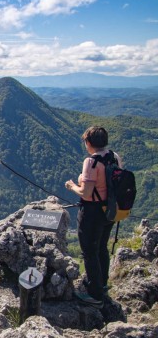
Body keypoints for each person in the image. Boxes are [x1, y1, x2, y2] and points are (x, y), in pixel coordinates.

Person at [64, 126, 120, 309]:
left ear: (89, 142)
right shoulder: (114, 157)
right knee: (101, 247)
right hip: (110, 210)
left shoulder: (91, 162)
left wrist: (72, 185)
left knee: (88, 251)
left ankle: (94, 294)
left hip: (92, 212)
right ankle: (101, 285)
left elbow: (86, 193)